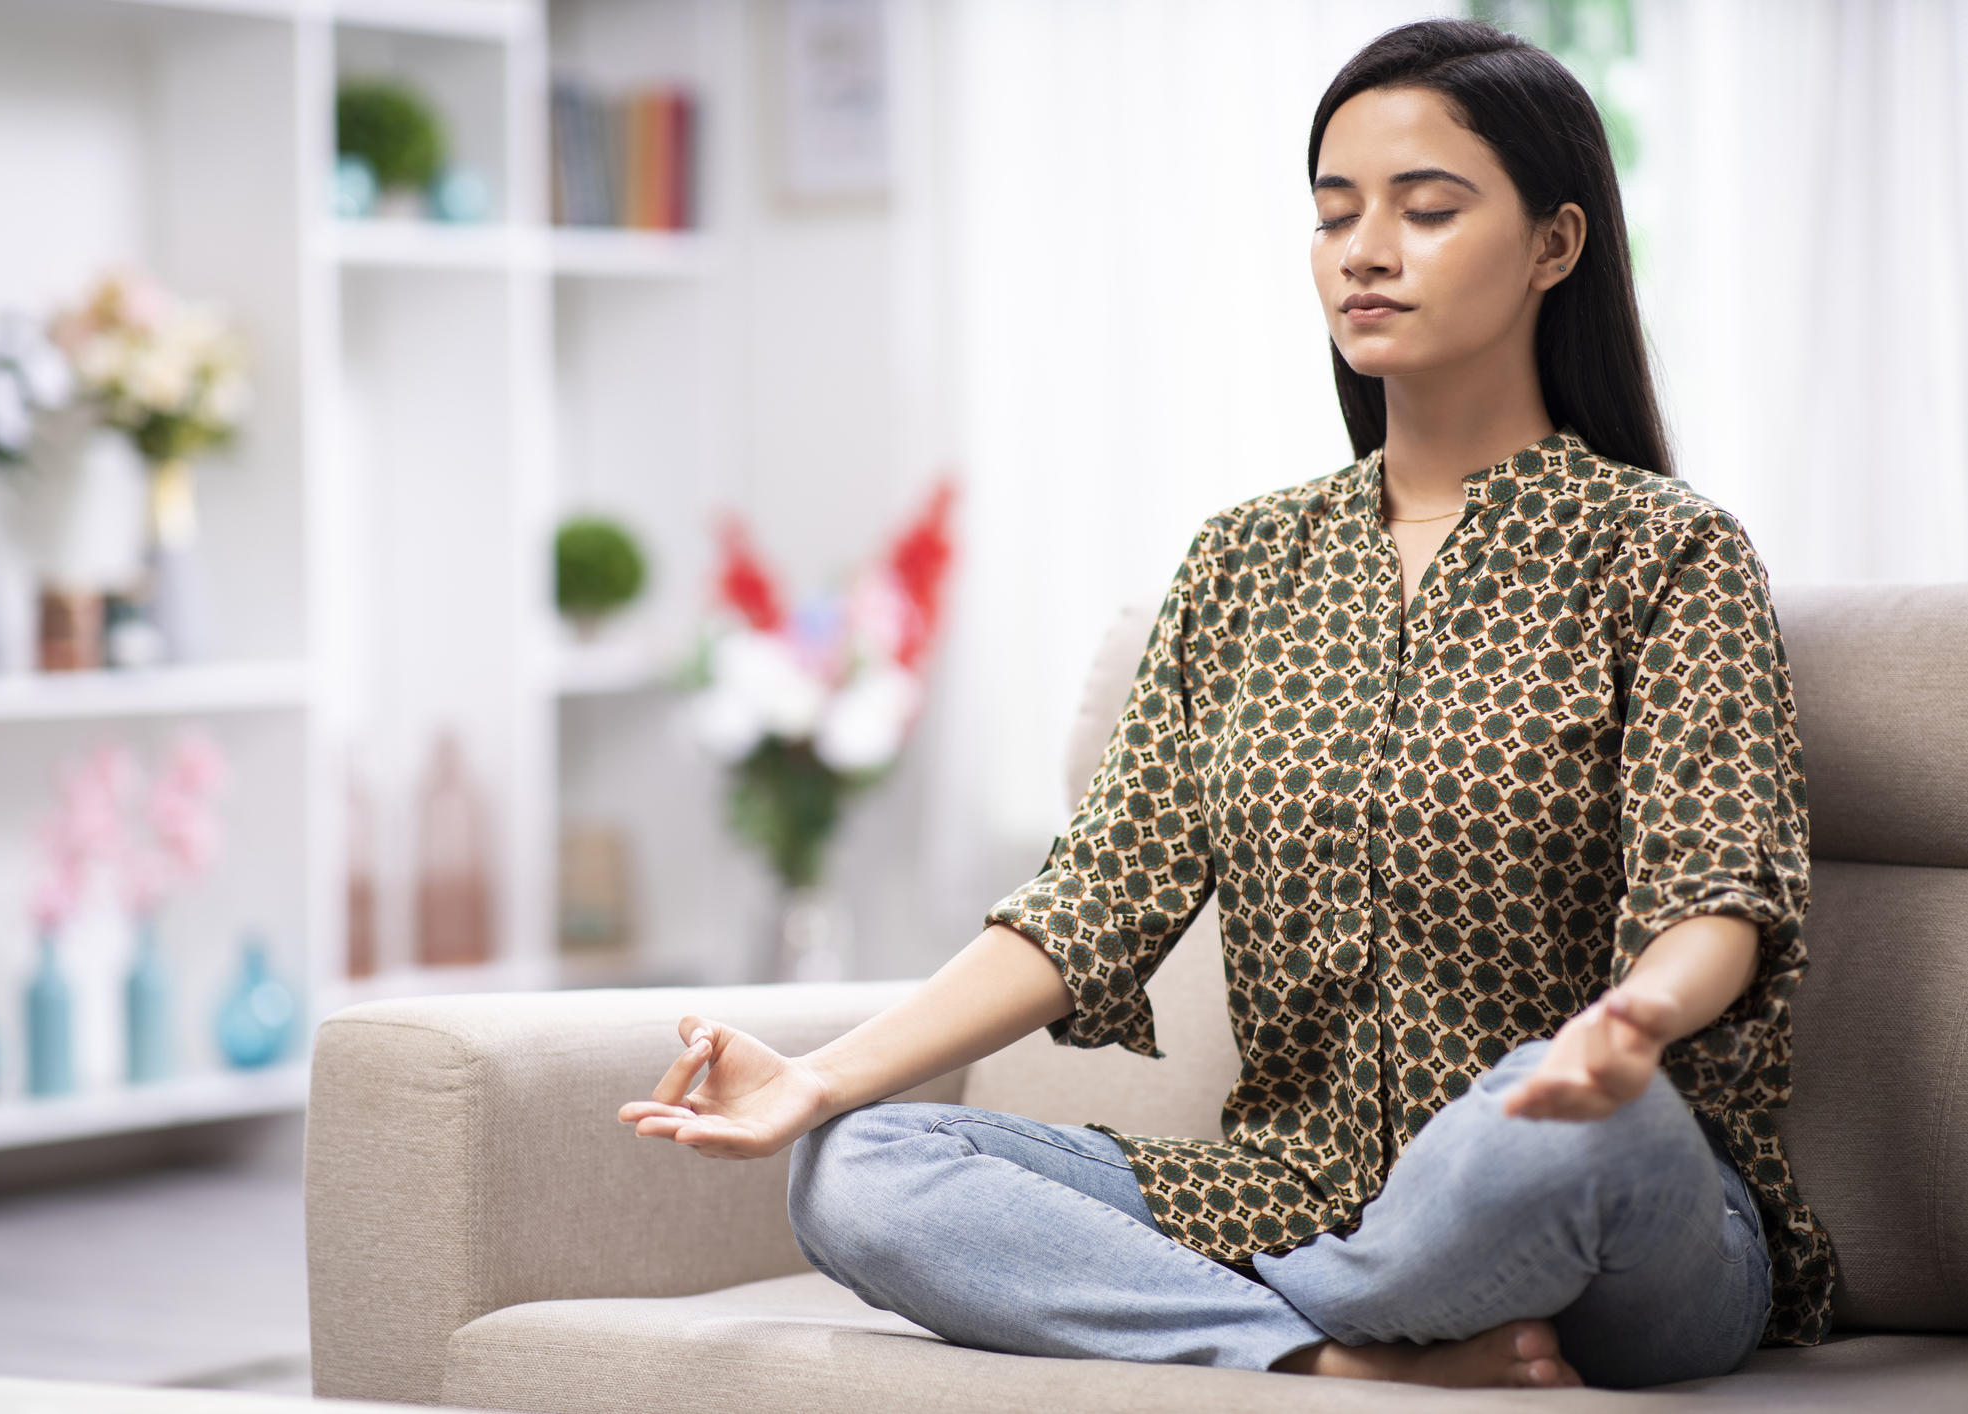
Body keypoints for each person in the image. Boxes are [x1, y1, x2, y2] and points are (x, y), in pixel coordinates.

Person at [620, 18, 1834, 1391]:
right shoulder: (1243, 561)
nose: (1363, 250)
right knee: (861, 1170)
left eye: (1424, 209)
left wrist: (1631, 1026)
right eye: (1332, 215)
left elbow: (1715, 890)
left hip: (1608, 1197)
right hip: (1286, 1192)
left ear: (1554, 245)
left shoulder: (1663, 549)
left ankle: (1258, 1306)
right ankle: (1331, 1351)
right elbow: (1090, 899)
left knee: (1537, 1123)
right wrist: (818, 1080)